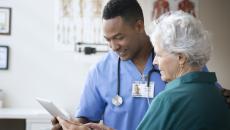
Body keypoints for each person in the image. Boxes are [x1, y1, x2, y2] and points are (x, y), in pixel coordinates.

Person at [52, 0, 230, 130]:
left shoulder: (178, 60)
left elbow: (204, 97)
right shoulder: (100, 71)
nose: (113, 47)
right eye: (108, 40)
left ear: (139, 26)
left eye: (119, 37)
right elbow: (85, 118)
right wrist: (71, 126)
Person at [137, 11, 230, 130]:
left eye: (159, 55)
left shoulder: (168, 100)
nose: (155, 61)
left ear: (180, 58)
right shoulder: (220, 96)